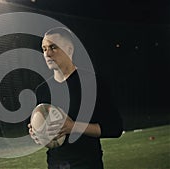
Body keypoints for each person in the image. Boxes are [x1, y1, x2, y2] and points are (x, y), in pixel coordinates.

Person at [28, 27, 123, 169]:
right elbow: (50, 136)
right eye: (44, 49)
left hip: (87, 164)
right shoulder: (42, 90)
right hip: (55, 165)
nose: (47, 53)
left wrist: (73, 127)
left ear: (69, 50)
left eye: (53, 47)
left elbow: (115, 129)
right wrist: (38, 134)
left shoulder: (92, 83)